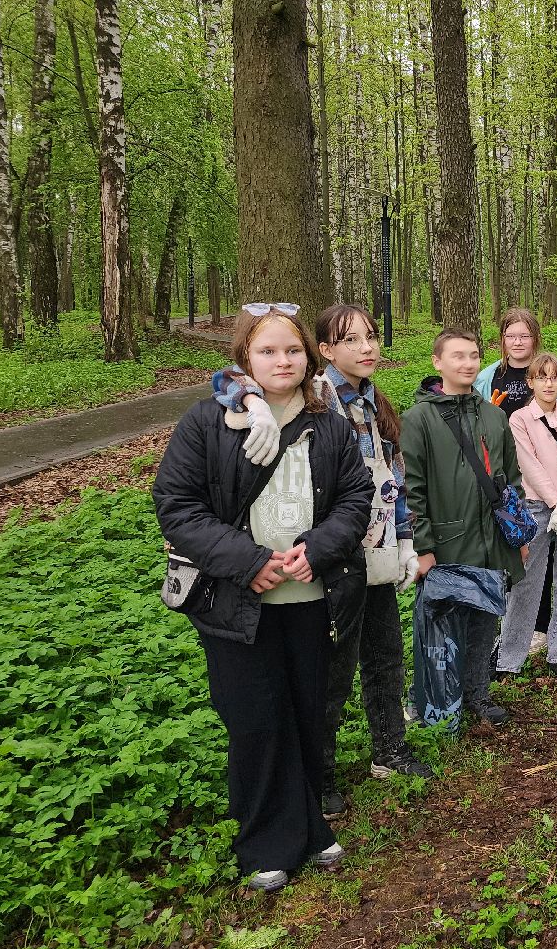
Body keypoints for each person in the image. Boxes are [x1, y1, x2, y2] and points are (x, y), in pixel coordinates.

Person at [153, 303, 372, 892]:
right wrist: (248, 562)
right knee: (255, 719)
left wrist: (318, 549)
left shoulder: (329, 425)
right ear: (245, 357)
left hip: (311, 599)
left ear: (309, 357)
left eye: (293, 350)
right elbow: (178, 506)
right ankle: (265, 843)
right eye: (268, 350)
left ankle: (308, 827)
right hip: (237, 603)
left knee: (305, 712)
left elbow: (355, 498)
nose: (283, 361)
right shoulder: (209, 422)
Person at [205, 305, 432, 821]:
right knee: (332, 668)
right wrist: (252, 403)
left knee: (386, 653)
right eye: (351, 340)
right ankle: (320, 771)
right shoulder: (316, 395)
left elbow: (392, 478)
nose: (367, 348)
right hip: (330, 557)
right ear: (324, 351)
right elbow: (229, 377)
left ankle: (390, 747)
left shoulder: (374, 402)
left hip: (376, 549)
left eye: (371, 337)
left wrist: (404, 539)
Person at [401, 328, 527, 726]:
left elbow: (511, 478)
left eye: (473, 356)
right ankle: (434, 699)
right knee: (442, 623)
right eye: (458, 356)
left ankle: (477, 693)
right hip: (448, 541)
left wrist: (517, 535)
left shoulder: (493, 415)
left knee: (484, 620)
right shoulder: (418, 419)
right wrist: (423, 547)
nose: (468, 363)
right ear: (437, 362)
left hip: (492, 540)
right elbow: (412, 488)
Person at [497, 353, 557, 677]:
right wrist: (554, 502)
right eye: (542, 377)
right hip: (536, 506)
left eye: (554, 377)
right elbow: (529, 465)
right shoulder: (520, 419)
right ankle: (509, 659)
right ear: (530, 382)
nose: (549, 384)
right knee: (525, 581)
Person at [474, 309, 557, 416]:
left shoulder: (553, 372)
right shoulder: (486, 378)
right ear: (503, 338)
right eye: (510, 336)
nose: (517, 342)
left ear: (535, 338)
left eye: (524, 336)